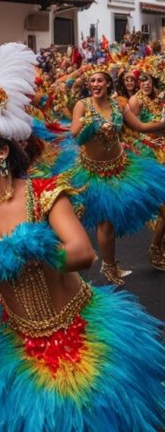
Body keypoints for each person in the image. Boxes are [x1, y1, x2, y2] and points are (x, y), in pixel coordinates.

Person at [0, 42, 165, 432]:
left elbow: (83, 252)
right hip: (21, 346)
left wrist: (34, 247)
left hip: (77, 334)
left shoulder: (45, 193)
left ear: (0, 151)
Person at [69, 66, 165, 285]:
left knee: (157, 202)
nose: (95, 85)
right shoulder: (82, 105)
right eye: (92, 81)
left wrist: (162, 124)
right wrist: (93, 124)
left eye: (100, 81)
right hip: (94, 173)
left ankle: (150, 250)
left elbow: (140, 126)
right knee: (105, 224)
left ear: (108, 84)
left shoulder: (118, 105)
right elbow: (75, 132)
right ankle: (109, 267)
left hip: (122, 167)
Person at [128, 69, 165, 269]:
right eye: (141, 80)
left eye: (148, 80)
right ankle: (155, 248)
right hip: (148, 154)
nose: (145, 84)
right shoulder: (136, 101)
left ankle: (160, 247)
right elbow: (134, 128)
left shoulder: (159, 98)